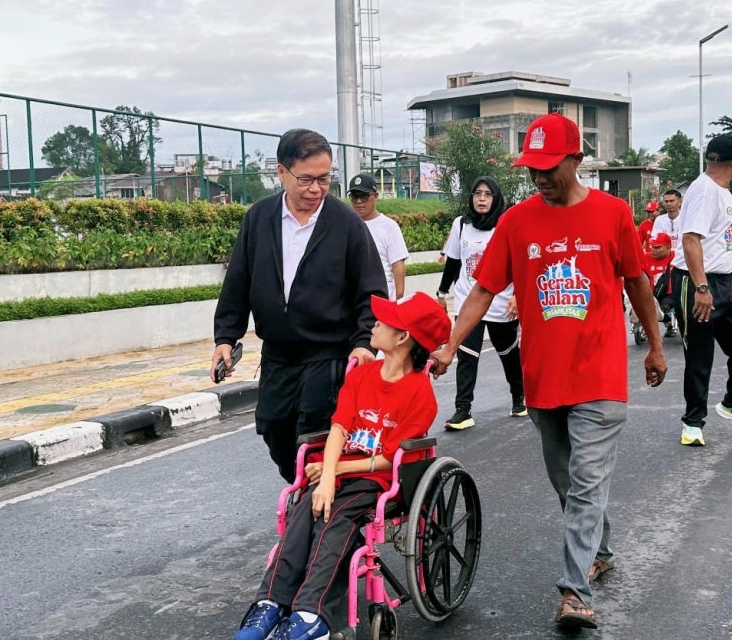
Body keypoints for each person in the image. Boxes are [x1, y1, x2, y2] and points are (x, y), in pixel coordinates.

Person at [431, 113, 667, 631]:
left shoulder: (612, 215)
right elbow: (484, 290)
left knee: (585, 483)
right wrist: (449, 346)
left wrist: (653, 345)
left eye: (548, 165)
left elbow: (638, 285)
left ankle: (574, 591)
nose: (538, 175)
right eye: (531, 166)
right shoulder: (517, 222)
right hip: (543, 379)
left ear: (576, 161)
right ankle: (599, 549)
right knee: (567, 482)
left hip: (601, 378)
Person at [231, 293, 450, 640]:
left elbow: (390, 458)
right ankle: (270, 603)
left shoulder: (420, 394)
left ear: (403, 338)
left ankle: (309, 614)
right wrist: (328, 475)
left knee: (333, 518)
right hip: (339, 469)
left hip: (378, 480)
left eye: (383, 321)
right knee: (304, 512)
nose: (373, 324)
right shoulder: (362, 376)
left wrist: (336, 473)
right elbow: (339, 427)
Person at [213, 128, 388, 483]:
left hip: (328, 356)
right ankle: (305, 493)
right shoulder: (259, 219)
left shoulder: (346, 225)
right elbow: (238, 283)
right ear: (281, 172)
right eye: (306, 179)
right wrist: (225, 337)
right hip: (278, 356)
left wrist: (363, 343)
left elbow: (372, 292)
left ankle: (317, 515)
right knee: (275, 431)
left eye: (324, 179)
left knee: (314, 437)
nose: (316, 189)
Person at [670, 135, 732, 448]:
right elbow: (691, 239)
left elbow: (720, 235)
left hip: (728, 281)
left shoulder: (724, 192)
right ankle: (693, 423)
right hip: (698, 282)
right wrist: (701, 287)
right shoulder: (703, 191)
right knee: (700, 355)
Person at [435, 176, 525, 430]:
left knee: (508, 354)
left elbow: (520, 265)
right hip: (468, 301)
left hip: (501, 303)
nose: (482, 199)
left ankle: (519, 396)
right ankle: (463, 410)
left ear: (495, 199)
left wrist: (517, 296)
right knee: (466, 355)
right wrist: (442, 292)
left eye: (487, 194)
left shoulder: (506, 226)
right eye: (477, 194)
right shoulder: (461, 225)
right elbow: (453, 261)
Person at [348, 173, 410, 299]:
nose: (359, 201)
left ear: (375, 196)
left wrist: (397, 303)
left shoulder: (389, 227)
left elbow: (398, 267)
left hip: (383, 304)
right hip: (353, 305)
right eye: (355, 196)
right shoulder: (345, 226)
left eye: (364, 196)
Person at [651, 189, 684, 337]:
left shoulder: (686, 218)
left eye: (672, 201)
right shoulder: (660, 220)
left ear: (680, 202)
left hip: (682, 261)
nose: (669, 204)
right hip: (664, 262)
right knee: (661, 291)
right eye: (667, 201)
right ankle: (666, 320)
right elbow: (655, 240)